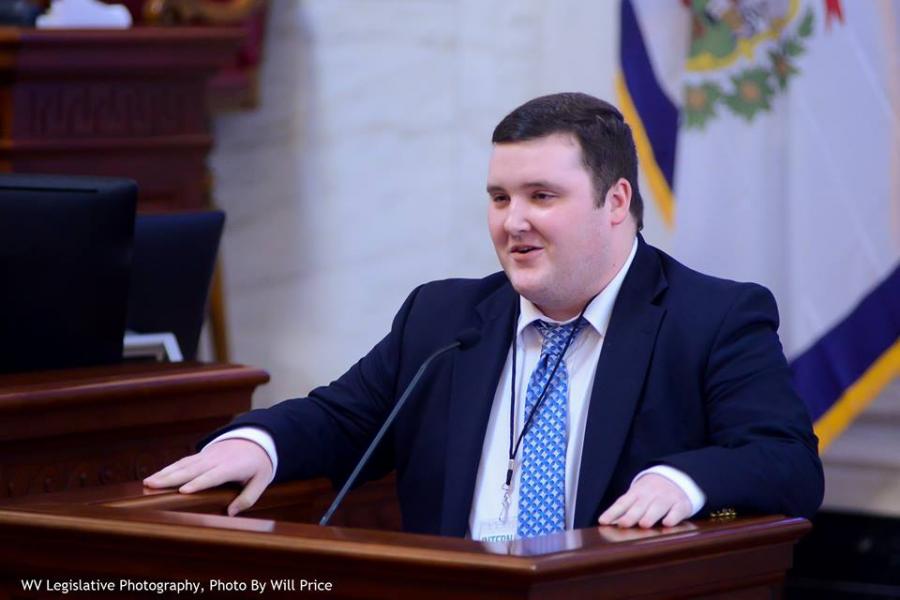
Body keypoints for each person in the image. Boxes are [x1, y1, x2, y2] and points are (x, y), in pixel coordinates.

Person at [145, 92, 824, 540]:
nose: (513, 222)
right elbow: (342, 418)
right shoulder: (444, 318)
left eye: (541, 195)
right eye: (499, 197)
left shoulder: (711, 317)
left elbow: (787, 462)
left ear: (615, 201)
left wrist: (680, 480)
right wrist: (254, 443)